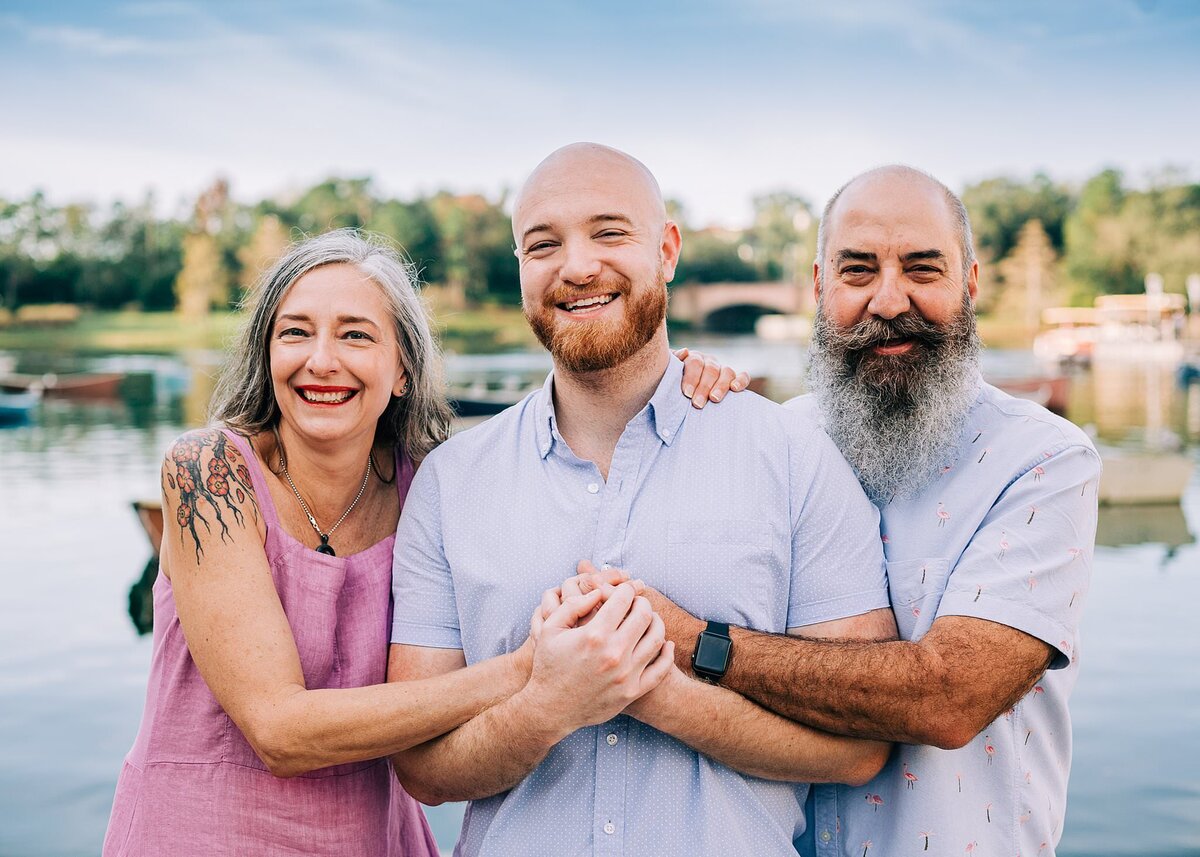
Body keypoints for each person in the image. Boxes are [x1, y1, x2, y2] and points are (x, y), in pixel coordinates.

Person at [101, 228, 737, 855]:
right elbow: (279, 731)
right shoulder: (208, 472)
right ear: (267, 355)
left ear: (401, 369)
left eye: (355, 334)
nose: (322, 359)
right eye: (295, 332)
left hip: (372, 839)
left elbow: (564, 439)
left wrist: (667, 378)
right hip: (197, 834)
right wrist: (524, 673)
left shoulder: (429, 486)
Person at [386, 143, 898, 856]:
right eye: (544, 244)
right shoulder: (449, 482)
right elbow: (421, 765)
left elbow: (862, 743)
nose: (577, 265)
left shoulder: (792, 457)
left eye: (609, 232)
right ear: (522, 270)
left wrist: (661, 693)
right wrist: (548, 705)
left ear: (668, 249)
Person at [612, 165, 1101, 857]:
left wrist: (699, 642)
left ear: (970, 283)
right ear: (819, 288)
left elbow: (948, 696)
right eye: (858, 270)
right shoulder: (777, 436)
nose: (888, 297)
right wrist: (676, 396)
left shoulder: (1042, 460)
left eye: (922, 269)